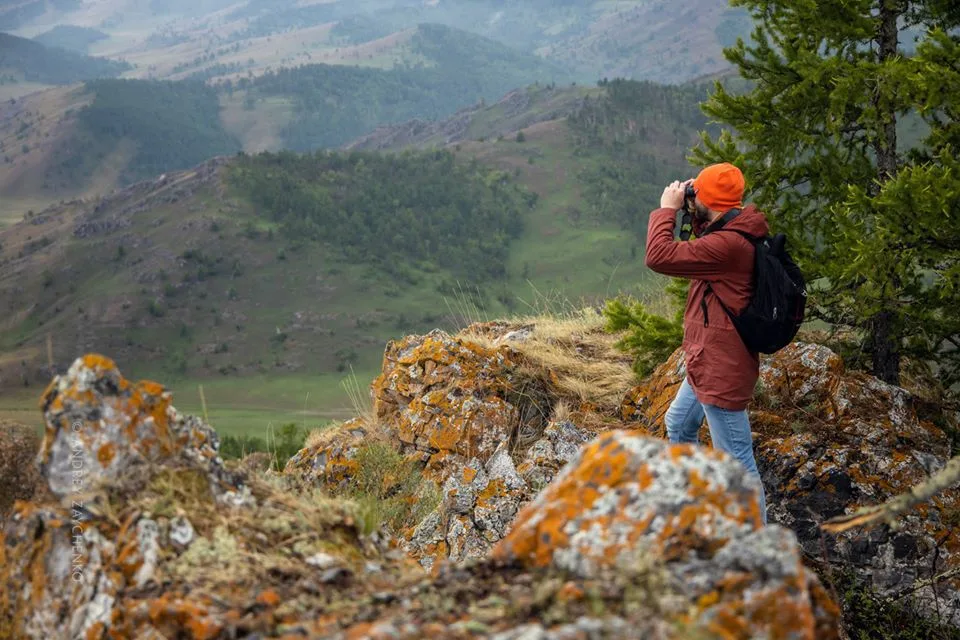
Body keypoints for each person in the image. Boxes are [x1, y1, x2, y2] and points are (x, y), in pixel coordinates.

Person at [644, 162, 768, 524]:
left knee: (737, 461)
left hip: (720, 366)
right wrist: (697, 208)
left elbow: (659, 256)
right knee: (680, 424)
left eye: (698, 194)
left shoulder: (728, 246)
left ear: (710, 203)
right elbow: (710, 234)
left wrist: (668, 210)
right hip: (707, 357)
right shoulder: (735, 227)